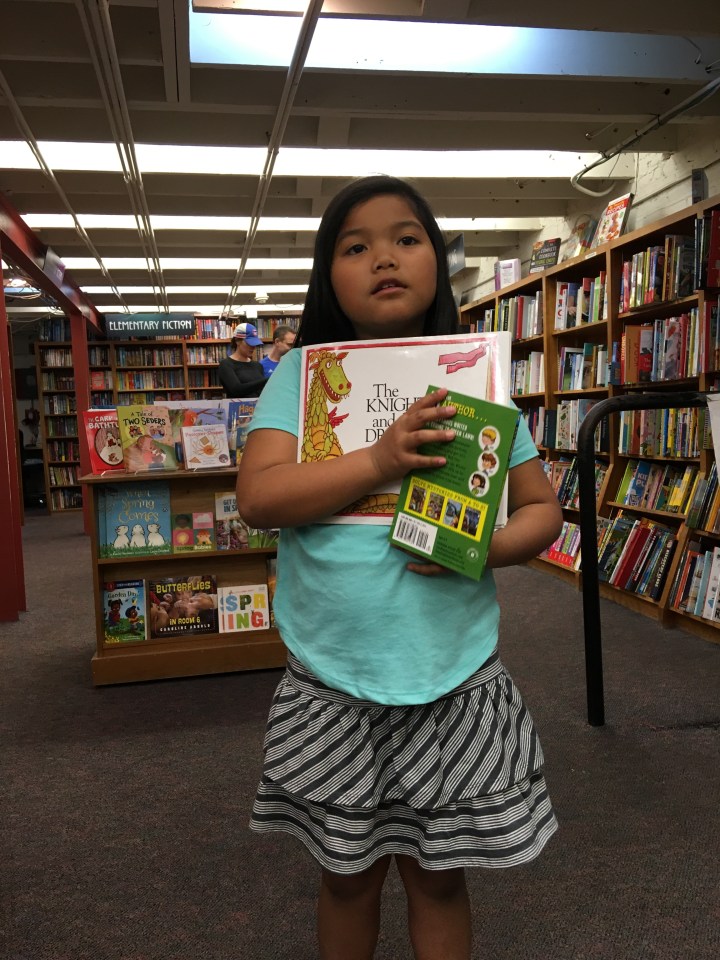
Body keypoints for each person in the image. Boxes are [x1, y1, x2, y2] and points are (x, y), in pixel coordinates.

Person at [236, 175, 563, 960]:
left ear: (437, 264)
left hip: (450, 674)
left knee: (439, 878)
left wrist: (481, 549)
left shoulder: (474, 381)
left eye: (407, 239)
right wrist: (379, 459)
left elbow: (541, 510)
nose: (384, 257)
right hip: (332, 677)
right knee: (346, 878)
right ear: (329, 277)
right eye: (356, 247)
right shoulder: (302, 376)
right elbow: (260, 497)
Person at [217, 322, 268, 398]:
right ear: (237, 341)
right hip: (237, 405)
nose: (253, 347)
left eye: (254, 344)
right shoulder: (226, 365)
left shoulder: (258, 366)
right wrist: (265, 381)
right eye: (249, 343)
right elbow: (236, 390)